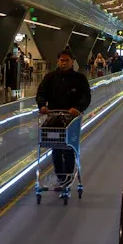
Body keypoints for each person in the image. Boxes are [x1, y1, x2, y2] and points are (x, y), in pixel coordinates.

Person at [35, 49, 91, 187]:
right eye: (61, 60)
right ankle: (61, 177)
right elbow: (41, 93)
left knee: (69, 148)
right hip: (54, 117)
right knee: (56, 147)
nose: (63, 63)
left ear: (72, 62)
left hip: (72, 119)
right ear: (58, 61)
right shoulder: (50, 78)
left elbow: (86, 97)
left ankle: (68, 176)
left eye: (66, 60)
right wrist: (42, 105)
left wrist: (78, 108)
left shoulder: (80, 79)